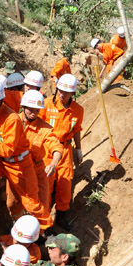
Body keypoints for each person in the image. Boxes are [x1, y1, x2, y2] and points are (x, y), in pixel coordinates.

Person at [0, 77, 53, 232]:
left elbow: (7, 149)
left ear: (2, 100)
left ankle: (47, 232)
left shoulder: (12, 119)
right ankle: (18, 225)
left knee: (31, 203)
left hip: (19, 165)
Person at [6, 91, 63, 222]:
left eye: (37, 110)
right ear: (23, 107)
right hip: (16, 170)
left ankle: (40, 233)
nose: (34, 113)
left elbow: (56, 146)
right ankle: (18, 225)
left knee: (42, 205)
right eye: (31, 110)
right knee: (13, 204)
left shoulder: (45, 128)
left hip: (37, 170)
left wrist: (53, 163)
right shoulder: (12, 122)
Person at [39, 74, 83, 229]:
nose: (62, 94)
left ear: (73, 93)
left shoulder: (77, 110)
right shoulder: (45, 105)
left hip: (65, 150)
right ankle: (43, 219)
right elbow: (35, 125)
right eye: (60, 90)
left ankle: (61, 217)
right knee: (46, 184)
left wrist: (78, 149)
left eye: (66, 91)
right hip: (47, 149)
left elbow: (76, 130)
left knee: (65, 185)